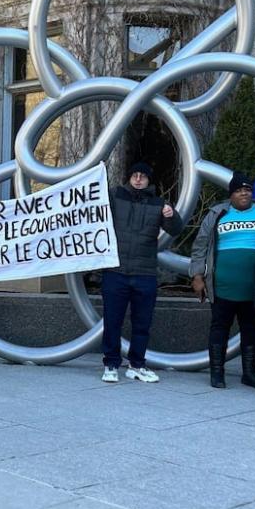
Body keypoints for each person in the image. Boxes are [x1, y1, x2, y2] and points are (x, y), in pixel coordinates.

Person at [100, 162, 185, 383]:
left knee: (142, 323)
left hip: (145, 273)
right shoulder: (114, 195)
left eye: (143, 176)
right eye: (135, 175)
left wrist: (171, 214)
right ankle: (111, 364)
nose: (138, 179)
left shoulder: (159, 203)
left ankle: (136, 365)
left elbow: (176, 229)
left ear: (149, 180)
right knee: (112, 321)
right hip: (115, 270)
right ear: (129, 177)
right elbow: (93, 211)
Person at [191, 172, 255, 389]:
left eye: (247, 190)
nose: (244, 194)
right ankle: (217, 373)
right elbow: (200, 245)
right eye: (239, 190)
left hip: (254, 287)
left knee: (250, 329)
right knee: (219, 328)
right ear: (231, 194)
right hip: (223, 286)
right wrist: (197, 275)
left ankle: (249, 373)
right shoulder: (217, 213)